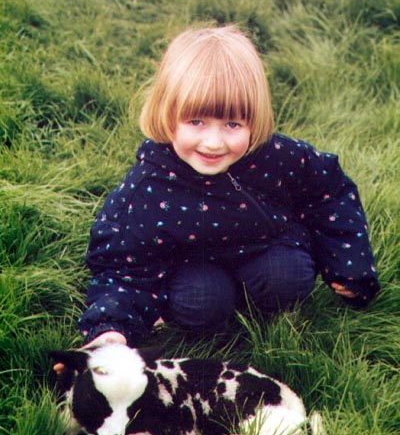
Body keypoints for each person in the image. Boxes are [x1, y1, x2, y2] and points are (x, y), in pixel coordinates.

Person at [66, 25, 381, 356]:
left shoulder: (277, 157)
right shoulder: (150, 185)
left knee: (287, 279)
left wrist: (349, 265)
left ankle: (261, 305)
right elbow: (124, 263)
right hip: (193, 267)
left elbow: (329, 192)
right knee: (202, 303)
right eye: (196, 122)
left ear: (253, 120)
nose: (213, 143)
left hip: (266, 248)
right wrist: (111, 329)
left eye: (232, 124)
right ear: (169, 116)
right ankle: (207, 307)